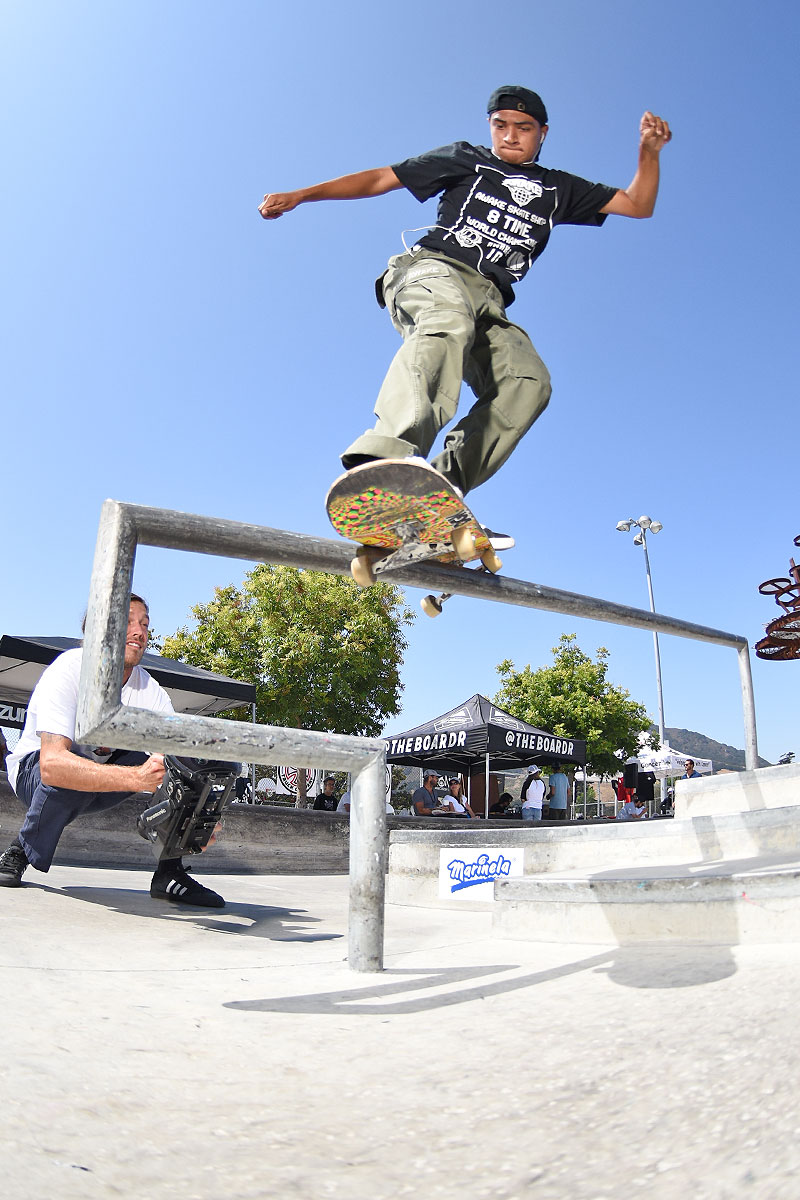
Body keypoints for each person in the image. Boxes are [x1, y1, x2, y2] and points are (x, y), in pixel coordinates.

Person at [259, 87, 671, 501]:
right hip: (434, 271)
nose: (510, 136)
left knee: (528, 382)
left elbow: (637, 204)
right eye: (500, 126)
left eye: (523, 128)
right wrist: (302, 195)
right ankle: (386, 461)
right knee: (447, 321)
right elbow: (382, 178)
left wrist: (648, 153)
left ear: (543, 133)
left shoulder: (559, 189)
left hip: (490, 300)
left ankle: (438, 491)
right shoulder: (465, 159)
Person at [0, 595, 225, 907]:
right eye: (128, 622)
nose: (139, 631)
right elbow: (52, 766)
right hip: (35, 776)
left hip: (102, 781)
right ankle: (20, 849)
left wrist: (201, 811)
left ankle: (169, 873)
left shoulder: (150, 691)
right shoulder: (69, 669)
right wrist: (136, 778)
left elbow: (179, 759)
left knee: (179, 768)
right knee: (69, 770)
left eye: (144, 624)